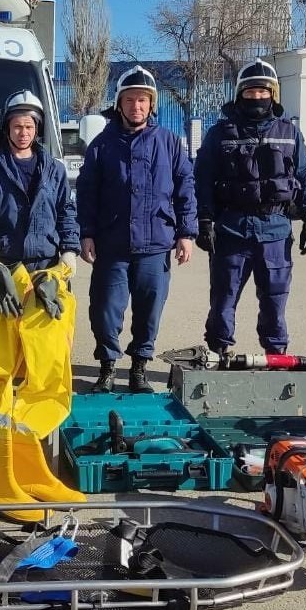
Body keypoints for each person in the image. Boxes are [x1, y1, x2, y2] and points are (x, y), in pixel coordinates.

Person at [76, 66, 197, 394]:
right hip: (111, 243)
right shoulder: (102, 145)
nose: (136, 106)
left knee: (149, 309)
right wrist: (85, 233)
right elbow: (86, 193)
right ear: (119, 104)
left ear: (151, 104)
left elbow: (186, 189)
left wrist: (186, 233)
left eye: (143, 100)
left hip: (155, 244)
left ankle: (139, 369)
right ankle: (107, 368)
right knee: (104, 308)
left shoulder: (170, 143)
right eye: (130, 100)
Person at [194, 58, 306, 356]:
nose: (257, 97)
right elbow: (203, 180)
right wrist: (205, 221)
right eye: (251, 92)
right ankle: (219, 353)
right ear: (240, 95)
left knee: (275, 300)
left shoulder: (289, 133)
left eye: (263, 92)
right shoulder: (220, 134)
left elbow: (304, 177)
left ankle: (275, 357)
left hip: (275, 231)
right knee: (223, 298)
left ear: (273, 94)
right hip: (231, 230)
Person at [0, 89, 80, 273]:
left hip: (45, 268)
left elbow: (66, 212)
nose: (23, 133)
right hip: (1, 267)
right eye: (17, 126)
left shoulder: (55, 170)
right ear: (7, 128)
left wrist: (70, 250)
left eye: (29, 127)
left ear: (37, 129)